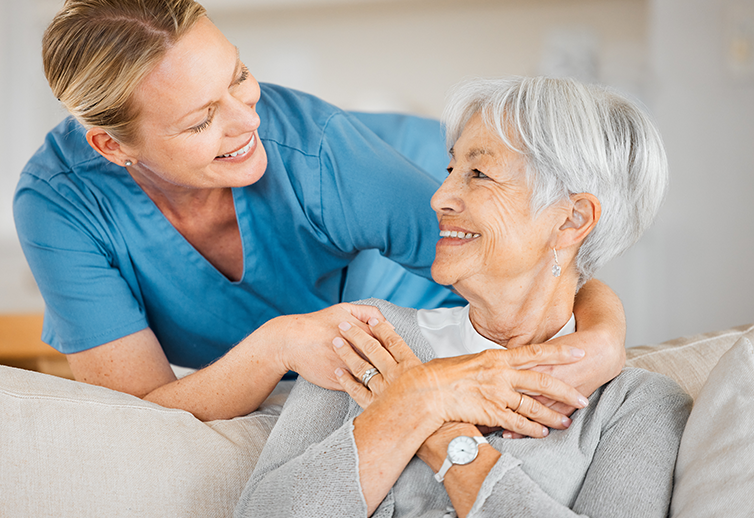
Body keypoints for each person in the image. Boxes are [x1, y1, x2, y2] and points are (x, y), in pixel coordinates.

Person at [14, 0, 626, 421]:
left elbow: (549, 258)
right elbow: (143, 413)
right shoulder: (60, 204)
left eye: (238, 77)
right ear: (113, 148)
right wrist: (280, 341)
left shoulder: (317, 154)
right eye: (202, 120)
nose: (246, 122)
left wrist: (604, 332)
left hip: (421, 193)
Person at [236, 77, 691, 518]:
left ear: (571, 219)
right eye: (451, 169)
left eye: (479, 173)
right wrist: (419, 395)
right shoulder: (368, 337)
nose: (439, 197)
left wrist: (440, 430)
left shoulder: (638, 406)